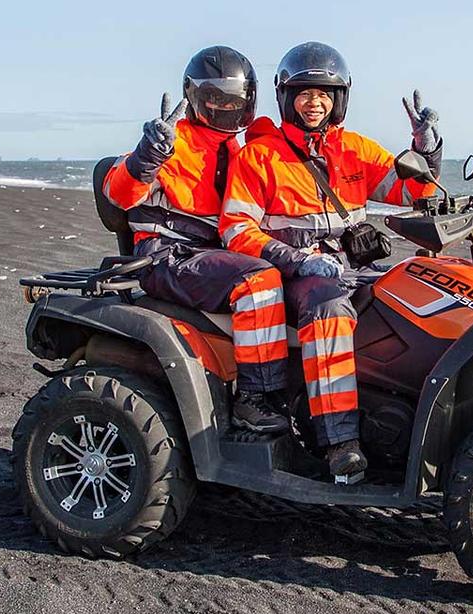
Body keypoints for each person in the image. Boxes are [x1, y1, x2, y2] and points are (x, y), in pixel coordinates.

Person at [219, 41, 443, 477]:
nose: (314, 102)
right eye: (304, 92)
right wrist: (298, 261)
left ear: (339, 99)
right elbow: (236, 229)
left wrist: (425, 148)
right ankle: (340, 442)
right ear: (287, 97)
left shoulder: (356, 149)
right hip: (293, 272)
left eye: (324, 93)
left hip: (348, 266)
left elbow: (414, 192)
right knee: (328, 309)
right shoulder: (260, 156)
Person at [102, 45, 290, 434]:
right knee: (260, 283)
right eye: (214, 98)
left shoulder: (244, 147)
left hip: (214, 257)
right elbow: (119, 193)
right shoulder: (172, 143)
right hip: (167, 256)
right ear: (195, 97)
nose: (225, 107)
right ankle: (252, 400)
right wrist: (146, 156)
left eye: (234, 99)